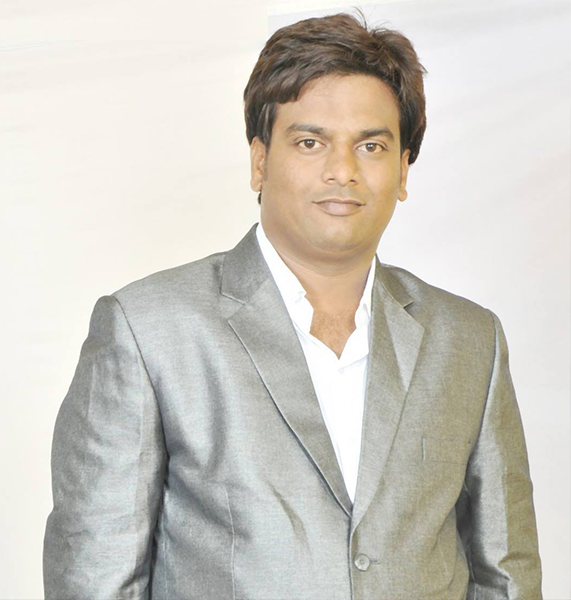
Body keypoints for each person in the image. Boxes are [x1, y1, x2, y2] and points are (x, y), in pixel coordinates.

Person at [43, 11, 542, 600]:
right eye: (310, 142)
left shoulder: (469, 339)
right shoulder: (147, 330)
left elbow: (506, 575)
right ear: (260, 161)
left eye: (371, 146)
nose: (342, 171)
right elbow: (95, 580)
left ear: (404, 169)